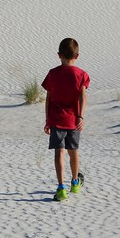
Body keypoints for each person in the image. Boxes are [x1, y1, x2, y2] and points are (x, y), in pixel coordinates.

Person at [41, 38, 90, 201]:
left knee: (59, 152)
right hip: (73, 120)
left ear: (59, 55)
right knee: (73, 151)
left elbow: (48, 98)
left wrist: (48, 120)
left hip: (56, 119)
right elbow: (83, 96)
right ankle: (75, 182)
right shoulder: (81, 75)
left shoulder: (53, 74)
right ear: (77, 56)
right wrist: (80, 116)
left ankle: (61, 188)